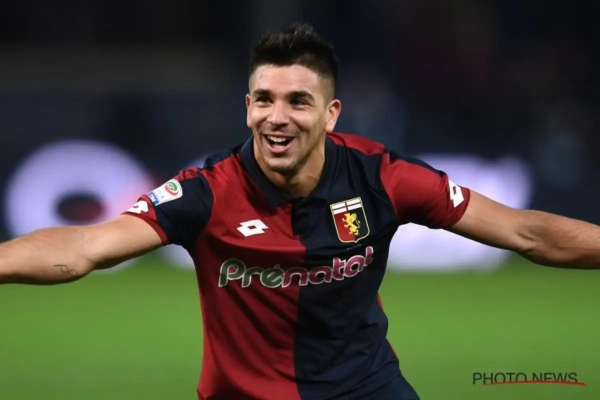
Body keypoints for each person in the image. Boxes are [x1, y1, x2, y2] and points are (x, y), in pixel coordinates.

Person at [0, 22, 598, 400]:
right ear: (247, 107)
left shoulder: (383, 178)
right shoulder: (204, 193)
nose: (277, 117)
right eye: (264, 99)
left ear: (331, 114)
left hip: (367, 390)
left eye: (298, 101)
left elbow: (527, 232)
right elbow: (83, 247)